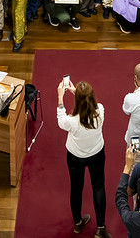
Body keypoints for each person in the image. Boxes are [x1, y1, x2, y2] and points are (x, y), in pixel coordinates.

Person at [57, 80, 109, 238]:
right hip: (96, 154)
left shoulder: (71, 121)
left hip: (75, 156)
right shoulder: (100, 110)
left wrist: (60, 97)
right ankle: (100, 227)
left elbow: (60, 121)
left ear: (77, 100)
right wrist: (77, 92)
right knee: (98, 187)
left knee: (76, 188)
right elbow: (90, 103)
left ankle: (78, 223)